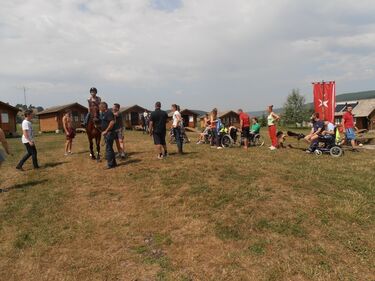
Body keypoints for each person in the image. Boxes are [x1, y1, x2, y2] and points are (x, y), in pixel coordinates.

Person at [99, 102, 117, 169]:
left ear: (104, 107)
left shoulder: (108, 113)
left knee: (108, 149)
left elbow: (112, 122)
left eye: (100, 107)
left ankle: (110, 164)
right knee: (110, 148)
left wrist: (106, 131)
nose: (99, 108)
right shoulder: (104, 113)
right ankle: (114, 163)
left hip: (109, 133)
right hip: (107, 133)